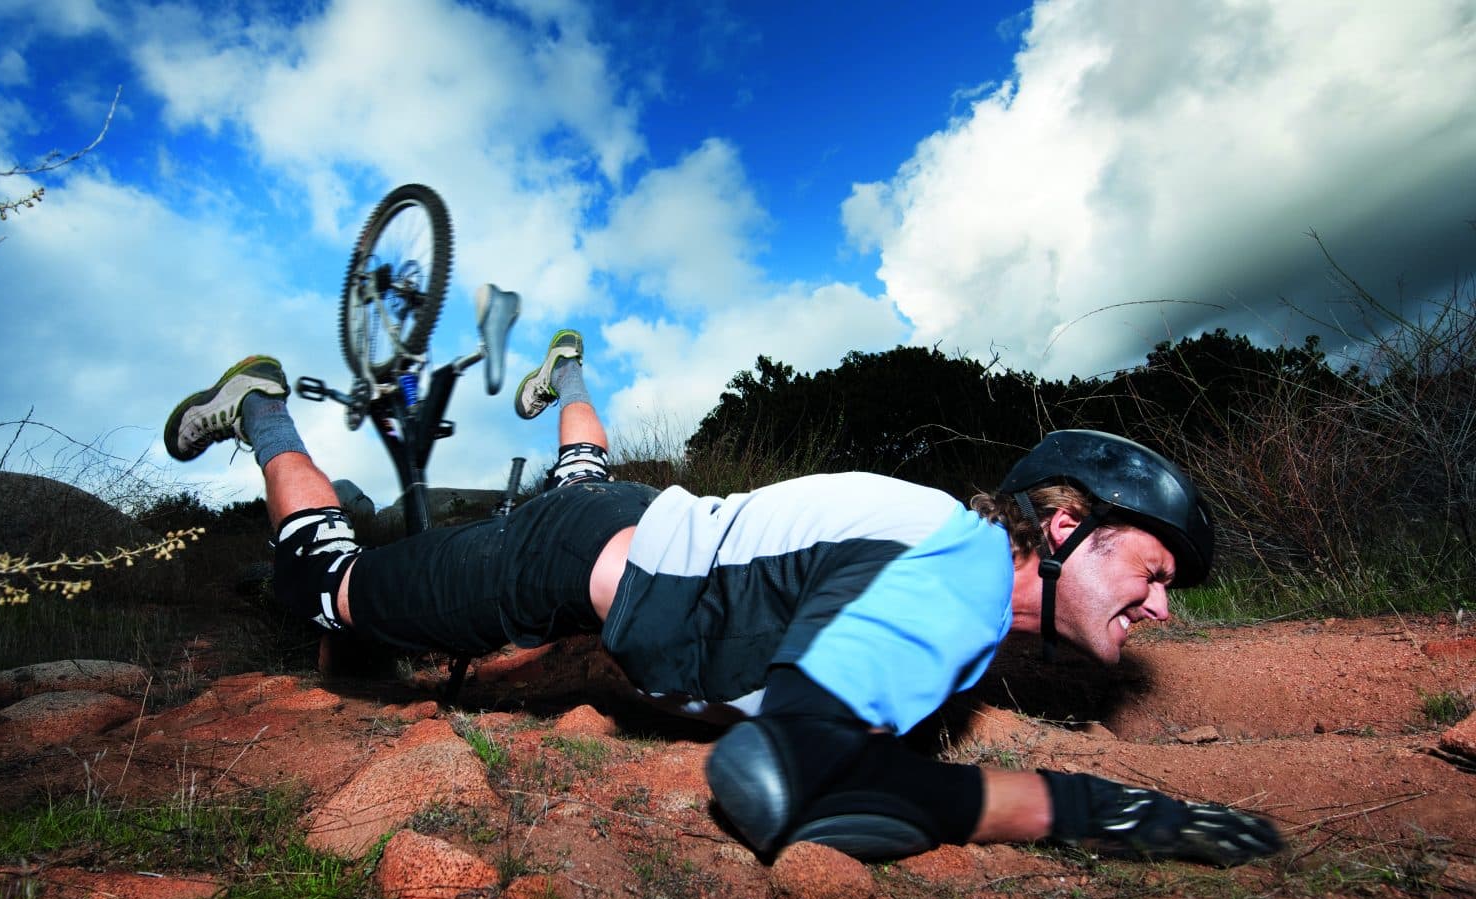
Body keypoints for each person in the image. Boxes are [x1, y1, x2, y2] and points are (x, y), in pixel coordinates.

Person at [165, 336, 1284, 867]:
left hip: (634, 535)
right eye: (1153, 571)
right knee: (330, 591)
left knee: (587, 482)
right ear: (1064, 523)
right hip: (564, 564)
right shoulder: (962, 581)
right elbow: (768, 780)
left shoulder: (951, 554)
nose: (1161, 607)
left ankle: (565, 383)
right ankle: (262, 406)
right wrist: (1070, 807)